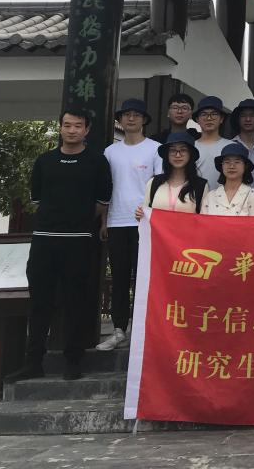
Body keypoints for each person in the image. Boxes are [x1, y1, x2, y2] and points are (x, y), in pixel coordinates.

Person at [5, 107, 112, 383]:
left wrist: (79, 220)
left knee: (76, 301)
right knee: (39, 302)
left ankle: (73, 360)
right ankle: (33, 362)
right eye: (67, 125)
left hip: (78, 240)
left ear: (87, 129)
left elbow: (102, 203)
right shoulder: (45, 161)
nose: (72, 130)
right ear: (60, 127)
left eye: (78, 126)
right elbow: (37, 199)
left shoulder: (97, 162)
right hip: (44, 239)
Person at [97, 98, 160, 352]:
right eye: (126, 115)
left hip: (144, 222)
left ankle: (143, 329)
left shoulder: (155, 149)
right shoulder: (111, 152)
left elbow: (160, 187)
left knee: (144, 278)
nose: (131, 119)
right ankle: (119, 329)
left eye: (136, 115)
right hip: (116, 221)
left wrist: (154, 218)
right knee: (120, 278)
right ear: (120, 120)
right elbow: (105, 189)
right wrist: (104, 221)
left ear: (144, 119)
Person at [139, 133, 207, 216]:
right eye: (172, 150)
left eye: (183, 150)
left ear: (190, 154)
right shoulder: (153, 182)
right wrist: (141, 215)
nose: (177, 155)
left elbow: (204, 219)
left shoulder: (201, 185)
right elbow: (145, 214)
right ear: (167, 154)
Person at [202, 143, 254, 216]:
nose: (231, 166)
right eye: (227, 162)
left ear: (245, 166)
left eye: (237, 162)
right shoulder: (210, 196)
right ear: (222, 166)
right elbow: (202, 221)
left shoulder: (253, 195)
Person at [228, 99, 254, 191]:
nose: (248, 119)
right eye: (243, 115)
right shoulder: (229, 146)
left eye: (252, 115)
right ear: (237, 119)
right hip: (234, 197)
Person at [193, 96, 228, 191]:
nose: (209, 118)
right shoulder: (190, 147)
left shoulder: (230, 146)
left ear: (221, 119)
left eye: (214, 114)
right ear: (197, 119)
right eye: (204, 114)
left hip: (224, 198)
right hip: (194, 198)